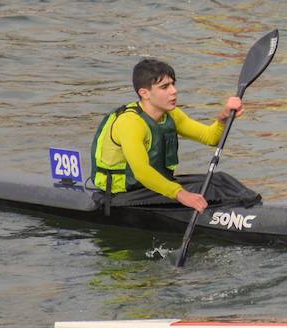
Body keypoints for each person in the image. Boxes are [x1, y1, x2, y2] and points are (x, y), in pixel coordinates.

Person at [90, 58, 244, 212]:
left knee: (221, 181)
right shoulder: (130, 122)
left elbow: (211, 138)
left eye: (173, 84)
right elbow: (141, 172)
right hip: (123, 195)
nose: (174, 91)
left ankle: (246, 210)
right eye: (164, 87)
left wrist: (222, 118)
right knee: (204, 189)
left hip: (154, 187)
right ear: (145, 93)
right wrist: (181, 194)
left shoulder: (171, 114)